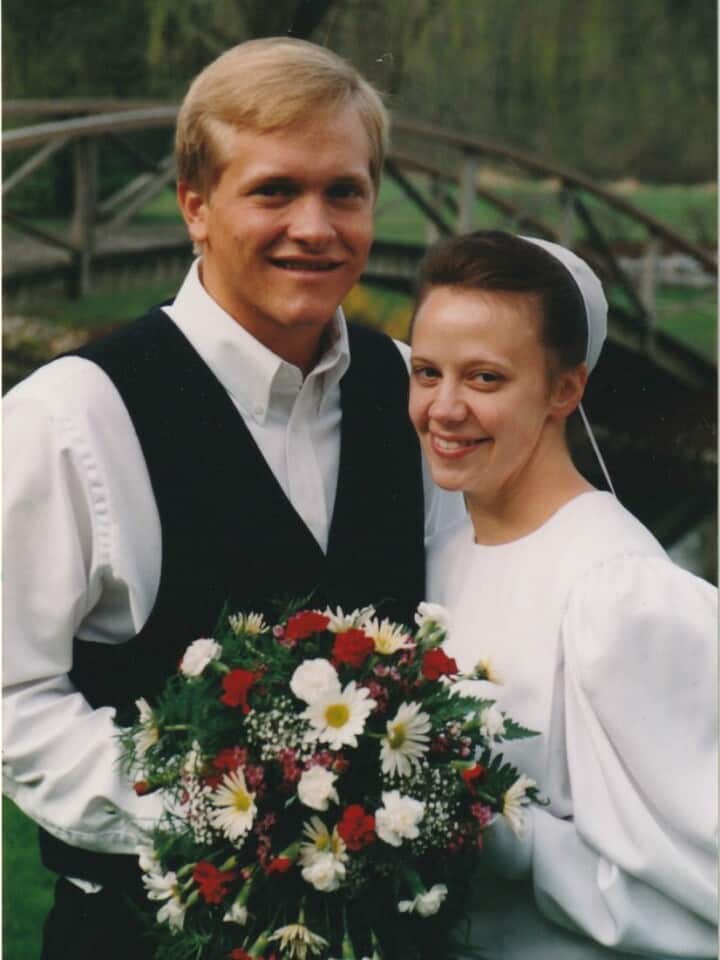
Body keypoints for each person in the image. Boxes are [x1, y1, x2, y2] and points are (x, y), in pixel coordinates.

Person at [3, 38, 463, 959]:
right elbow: (16, 698)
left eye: (345, 191)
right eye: (273, 191)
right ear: (195, 207)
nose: (316, 226)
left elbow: (457, 621)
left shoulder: (410, 389)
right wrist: (221, 820)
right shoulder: (70, 417)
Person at [409, 230, 717, 959]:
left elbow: (702, 893)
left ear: (565, 388)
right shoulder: (443, 553)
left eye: (485, 379)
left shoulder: (617, 595)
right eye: (427, 372)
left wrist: (491, 828)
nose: (444, 409)